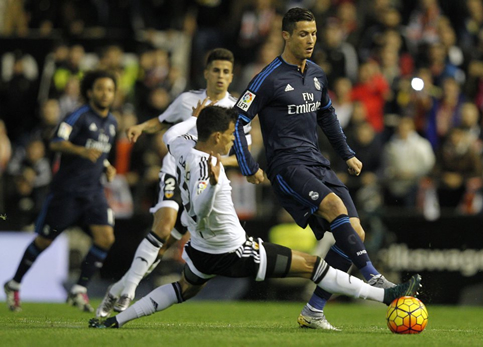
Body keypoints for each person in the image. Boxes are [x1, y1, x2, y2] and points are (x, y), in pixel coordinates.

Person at [88, 105, 422, 329]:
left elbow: (169, 135)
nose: (234, 139)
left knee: (183, 290)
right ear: (218, 137)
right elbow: (204, 205)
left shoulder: (183, 152)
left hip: (202, 252)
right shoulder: (212, 167)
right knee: (313, 267)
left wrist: (197, 118)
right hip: (234, 250)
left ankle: (116, 321)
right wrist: (211, 191)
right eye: (231, 134)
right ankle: (387, 296)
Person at [232, 7, 395, 330]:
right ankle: (374, 279)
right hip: (286, 165)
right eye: (303, 34)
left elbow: (328, 117)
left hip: (318, 162)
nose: (310, 40)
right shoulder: (268, 77)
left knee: (355, 233)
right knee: (336, 209)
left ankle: (314, 309)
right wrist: (248, 165)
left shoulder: (318, 74)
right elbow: (237, 120)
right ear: (286, 35)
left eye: (314, 33)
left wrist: (347, 154)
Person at [95, 48, 251, 318]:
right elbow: (162, 121)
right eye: (216, 70)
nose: (220, 76)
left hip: (203, 180)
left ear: (232, 75)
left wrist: (217, 163)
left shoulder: (236, 110)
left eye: (226, 71)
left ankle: (119, 286)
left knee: (166, 244)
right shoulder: (188, 100)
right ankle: (130, 289)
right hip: (175, 169)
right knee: (163, 225)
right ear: (206, 73)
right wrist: (141, 128)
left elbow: (243, 154)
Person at [4, 70, 118, 313]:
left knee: (106, 238)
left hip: (93, 193)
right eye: (100, 88)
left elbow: (101, 154)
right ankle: (14, 283)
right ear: (90, 92)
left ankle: (79, 290)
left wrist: (107, 167)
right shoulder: (79, 116)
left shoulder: (113, 123)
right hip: (67, 192)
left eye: (109, 89)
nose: (105, 94)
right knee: (44, 241)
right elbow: (56, 141)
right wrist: (80, 151)